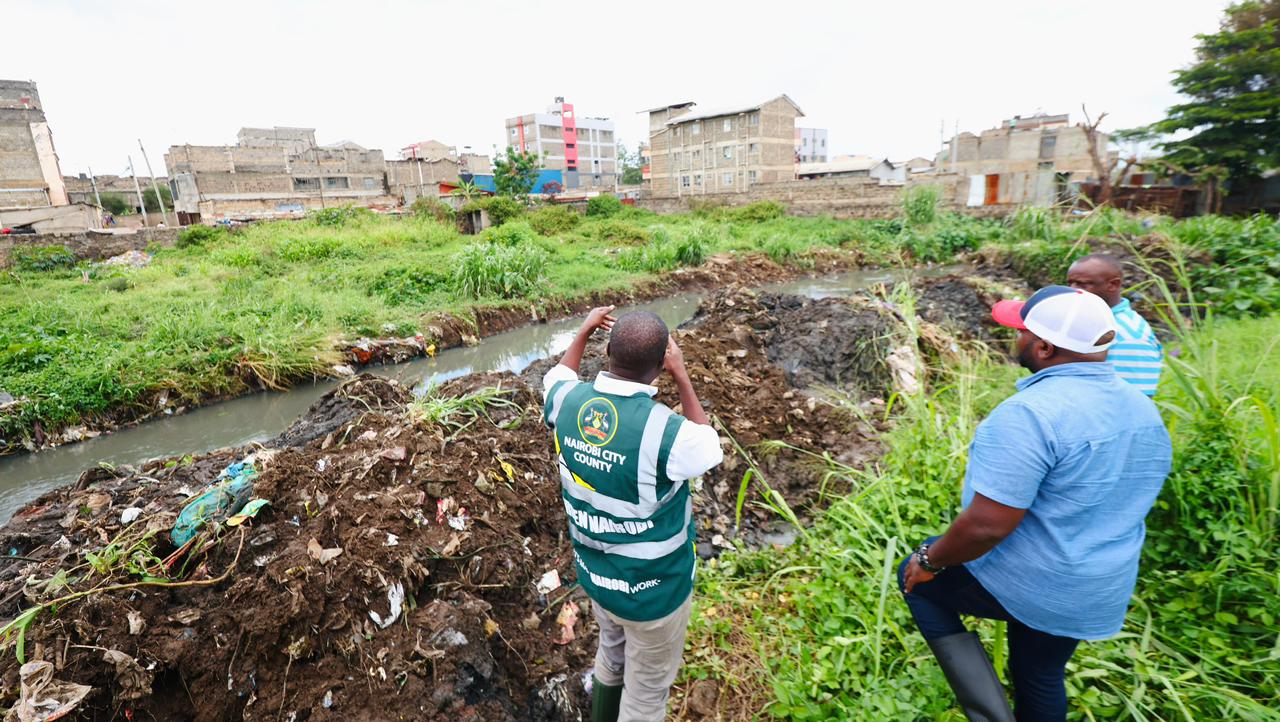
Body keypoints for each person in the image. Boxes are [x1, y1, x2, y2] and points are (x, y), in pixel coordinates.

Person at [899, 286, 1172, 722]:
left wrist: (929, 561)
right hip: (1099, 586)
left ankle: (988, 713)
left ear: (1043, 347)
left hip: (1045, 584)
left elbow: (986, 527)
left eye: (1021, 331)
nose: (1016, 338)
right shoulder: (1143, 409)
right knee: (1040, 673)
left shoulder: (1029, 414)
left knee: (916, 576)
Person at [542, 305, 723, 722]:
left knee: (611, 654)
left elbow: (558, 376)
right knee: (645, 697)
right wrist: (681, 374)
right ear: (661, 364)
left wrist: (584, 330)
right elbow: (709, 447)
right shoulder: (667, 432)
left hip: (598, 577)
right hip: (654, 594)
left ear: (606, 350)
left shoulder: (567, 401)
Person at [1066, 253, 1163, 397]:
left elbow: (1135, 402)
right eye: (1070, 283)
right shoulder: (1096, 322)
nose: (1073, 290)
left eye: (1082, 284)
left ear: (1113, 284)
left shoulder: (1129, 335)